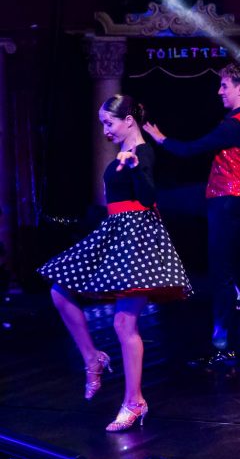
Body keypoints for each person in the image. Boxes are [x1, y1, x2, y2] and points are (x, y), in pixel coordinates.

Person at [38, 95, 192, 431]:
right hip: (115, 232)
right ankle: (92, 358)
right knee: (59, 290)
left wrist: (135, 166)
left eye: (109, 123)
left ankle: (134, 402)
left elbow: (149, 198)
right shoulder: (124, 152)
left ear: (128, 121)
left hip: (137, 239)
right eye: (102, 124)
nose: (105, 130)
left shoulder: (143, 152)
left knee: (124, 323)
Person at [143, 62, 240, 368]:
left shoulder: (234, 124)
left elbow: (190, 150)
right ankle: (228, 338)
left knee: (221, 272)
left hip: (226, 200)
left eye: (224, 85)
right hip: (237, 199)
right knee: (232, 268)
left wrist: (159, 138)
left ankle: (223, 345)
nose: (219, 91)